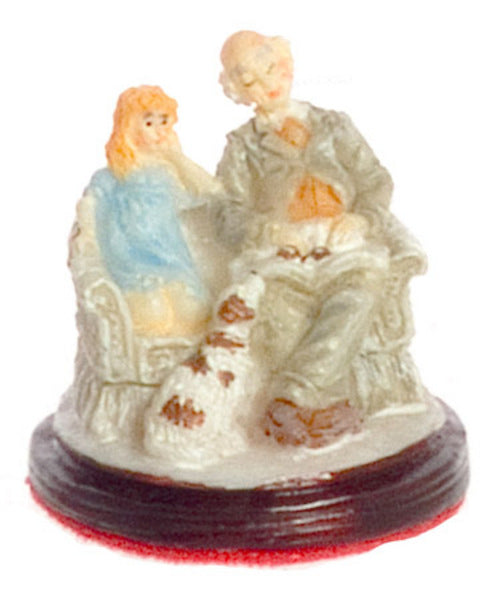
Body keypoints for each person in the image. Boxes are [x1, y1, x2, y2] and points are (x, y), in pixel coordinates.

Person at [214, 31, 427, 447]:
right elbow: (225, 211)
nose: (267, 83)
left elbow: (375, 180)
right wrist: (268, 230)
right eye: (251, 79)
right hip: (283, 252)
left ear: (287, 63)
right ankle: (323, 411)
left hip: (344, 243)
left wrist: (362, 219)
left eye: (270, 67)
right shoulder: (242, 147)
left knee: (360, 289)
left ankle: (289, 399)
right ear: (238, 91)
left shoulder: (334, 126)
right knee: (280, 307)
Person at [87, 85, 219, 337]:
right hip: (131, 262)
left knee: (194, 312)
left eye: (165, 121)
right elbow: (91, 211)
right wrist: (87, 240)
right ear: (129, 127)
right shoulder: (114, 176)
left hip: (172, 259)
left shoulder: (170, 171)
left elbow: (213, 194)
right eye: (149, 123)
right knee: (153, 317)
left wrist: (178, 158)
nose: (160, 131)